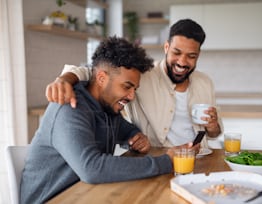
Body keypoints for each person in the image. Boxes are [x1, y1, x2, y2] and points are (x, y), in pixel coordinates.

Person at [20, 36, 199, 204]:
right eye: (127, 87)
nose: (131, 96)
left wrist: (136, 136)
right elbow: (92, 168)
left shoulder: (106, 107)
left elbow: (124, 128)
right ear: (101, 78)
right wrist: (166, 161)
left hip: (86, 195)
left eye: (134, 89)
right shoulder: (70, 107)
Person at [46, 18, 223, 147]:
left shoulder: (205, 83)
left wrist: (213, 126)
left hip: (200, 158)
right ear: (166, 47)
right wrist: (64, 79)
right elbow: (95, 73)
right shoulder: (143, 74)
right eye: (177, 52)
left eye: (191, 56)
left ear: (198, 55)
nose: (183, 62)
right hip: (158, 158)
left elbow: (214, 134)